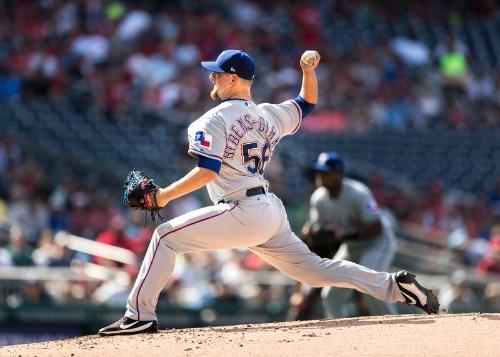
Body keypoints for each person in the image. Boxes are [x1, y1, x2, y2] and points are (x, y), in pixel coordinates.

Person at [98, 49, 439, 336]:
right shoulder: (269, 115)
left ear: (233, 78)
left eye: (217, 74)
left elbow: (207, 171)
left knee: (164, 237)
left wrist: (163, 197)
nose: (212, 79)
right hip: (269, 211)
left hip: (241, 208)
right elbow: (307, 102)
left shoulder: (209, 120)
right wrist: (308, 70)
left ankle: (139, 316)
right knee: (315, 270)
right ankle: (395, 286)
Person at [304, 152, 398, 319]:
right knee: (331, 296)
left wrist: (344, 235)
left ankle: (396, 326)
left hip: (376, 243)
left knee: (371, 288)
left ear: (338, 173)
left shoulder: (358, 193)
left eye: (325, 172)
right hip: (351, 246)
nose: (320, 176)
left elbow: (376, 227)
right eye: (318, 171)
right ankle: (340, 335)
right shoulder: (318, 198)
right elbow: (316, 229)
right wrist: (312, 232)